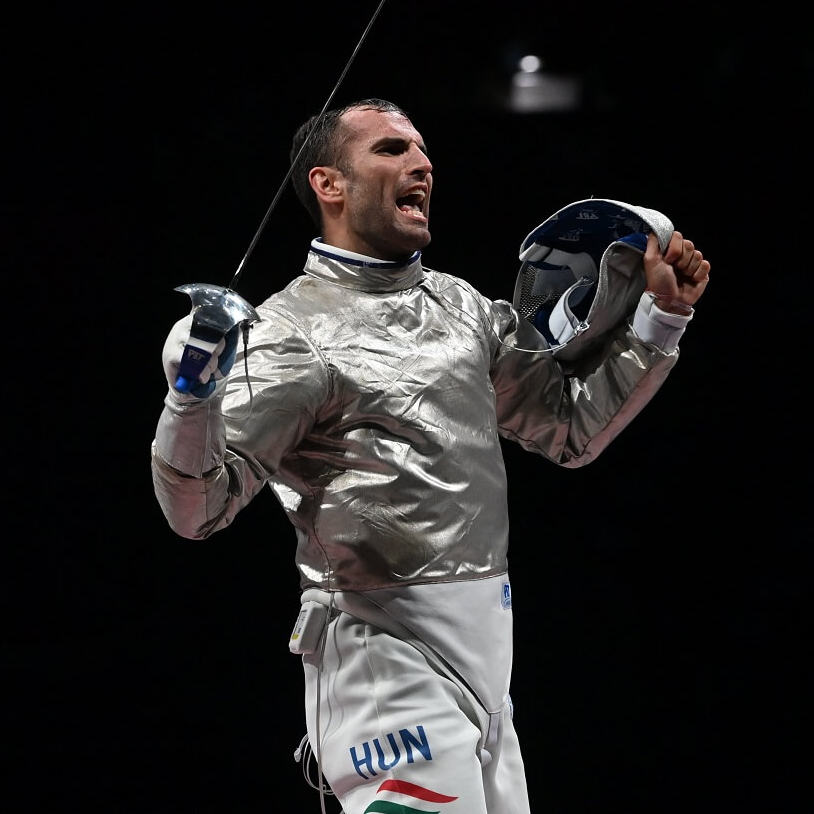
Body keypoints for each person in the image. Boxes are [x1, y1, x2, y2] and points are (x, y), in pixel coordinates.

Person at [151, 99, 709, 813]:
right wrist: (191, 398)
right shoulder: (292, 332)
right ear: (329, 184)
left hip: (488, 657)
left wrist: (661, 318)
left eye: (420, 150)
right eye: (391, 150)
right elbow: (197, 508)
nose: (422, 164)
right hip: (383, 661)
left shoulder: (464, 309)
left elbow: (568, 430)